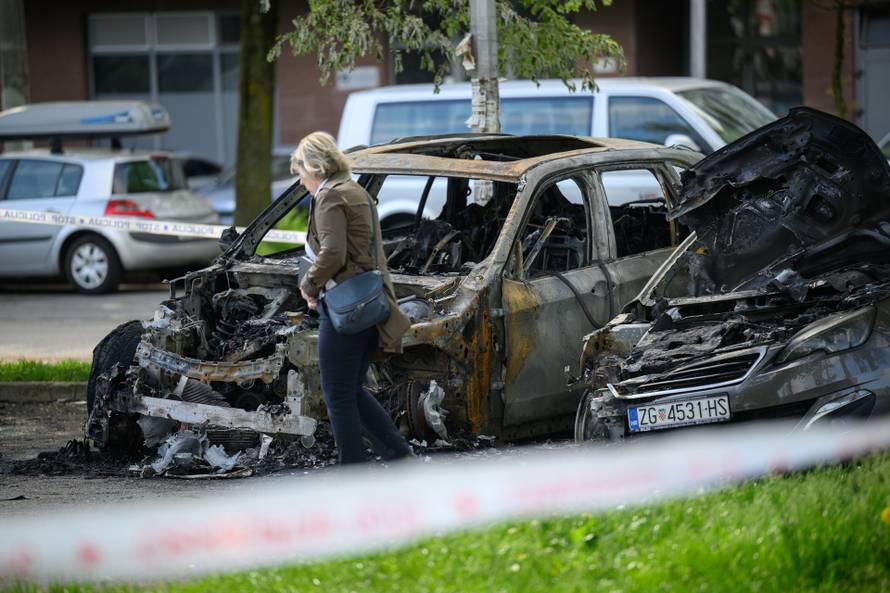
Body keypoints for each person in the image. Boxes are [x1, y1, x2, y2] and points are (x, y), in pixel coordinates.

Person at [292, 131, 413, 465]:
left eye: (301, 173)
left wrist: (309, 285)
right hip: (367, 303)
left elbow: (333, 252)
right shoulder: (355, 190)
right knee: (352, 391)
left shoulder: (330, 196)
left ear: (314, 166)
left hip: (345, 309)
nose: (301, 182)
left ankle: (353, 474)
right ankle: (399, 455)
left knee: (338, 396)